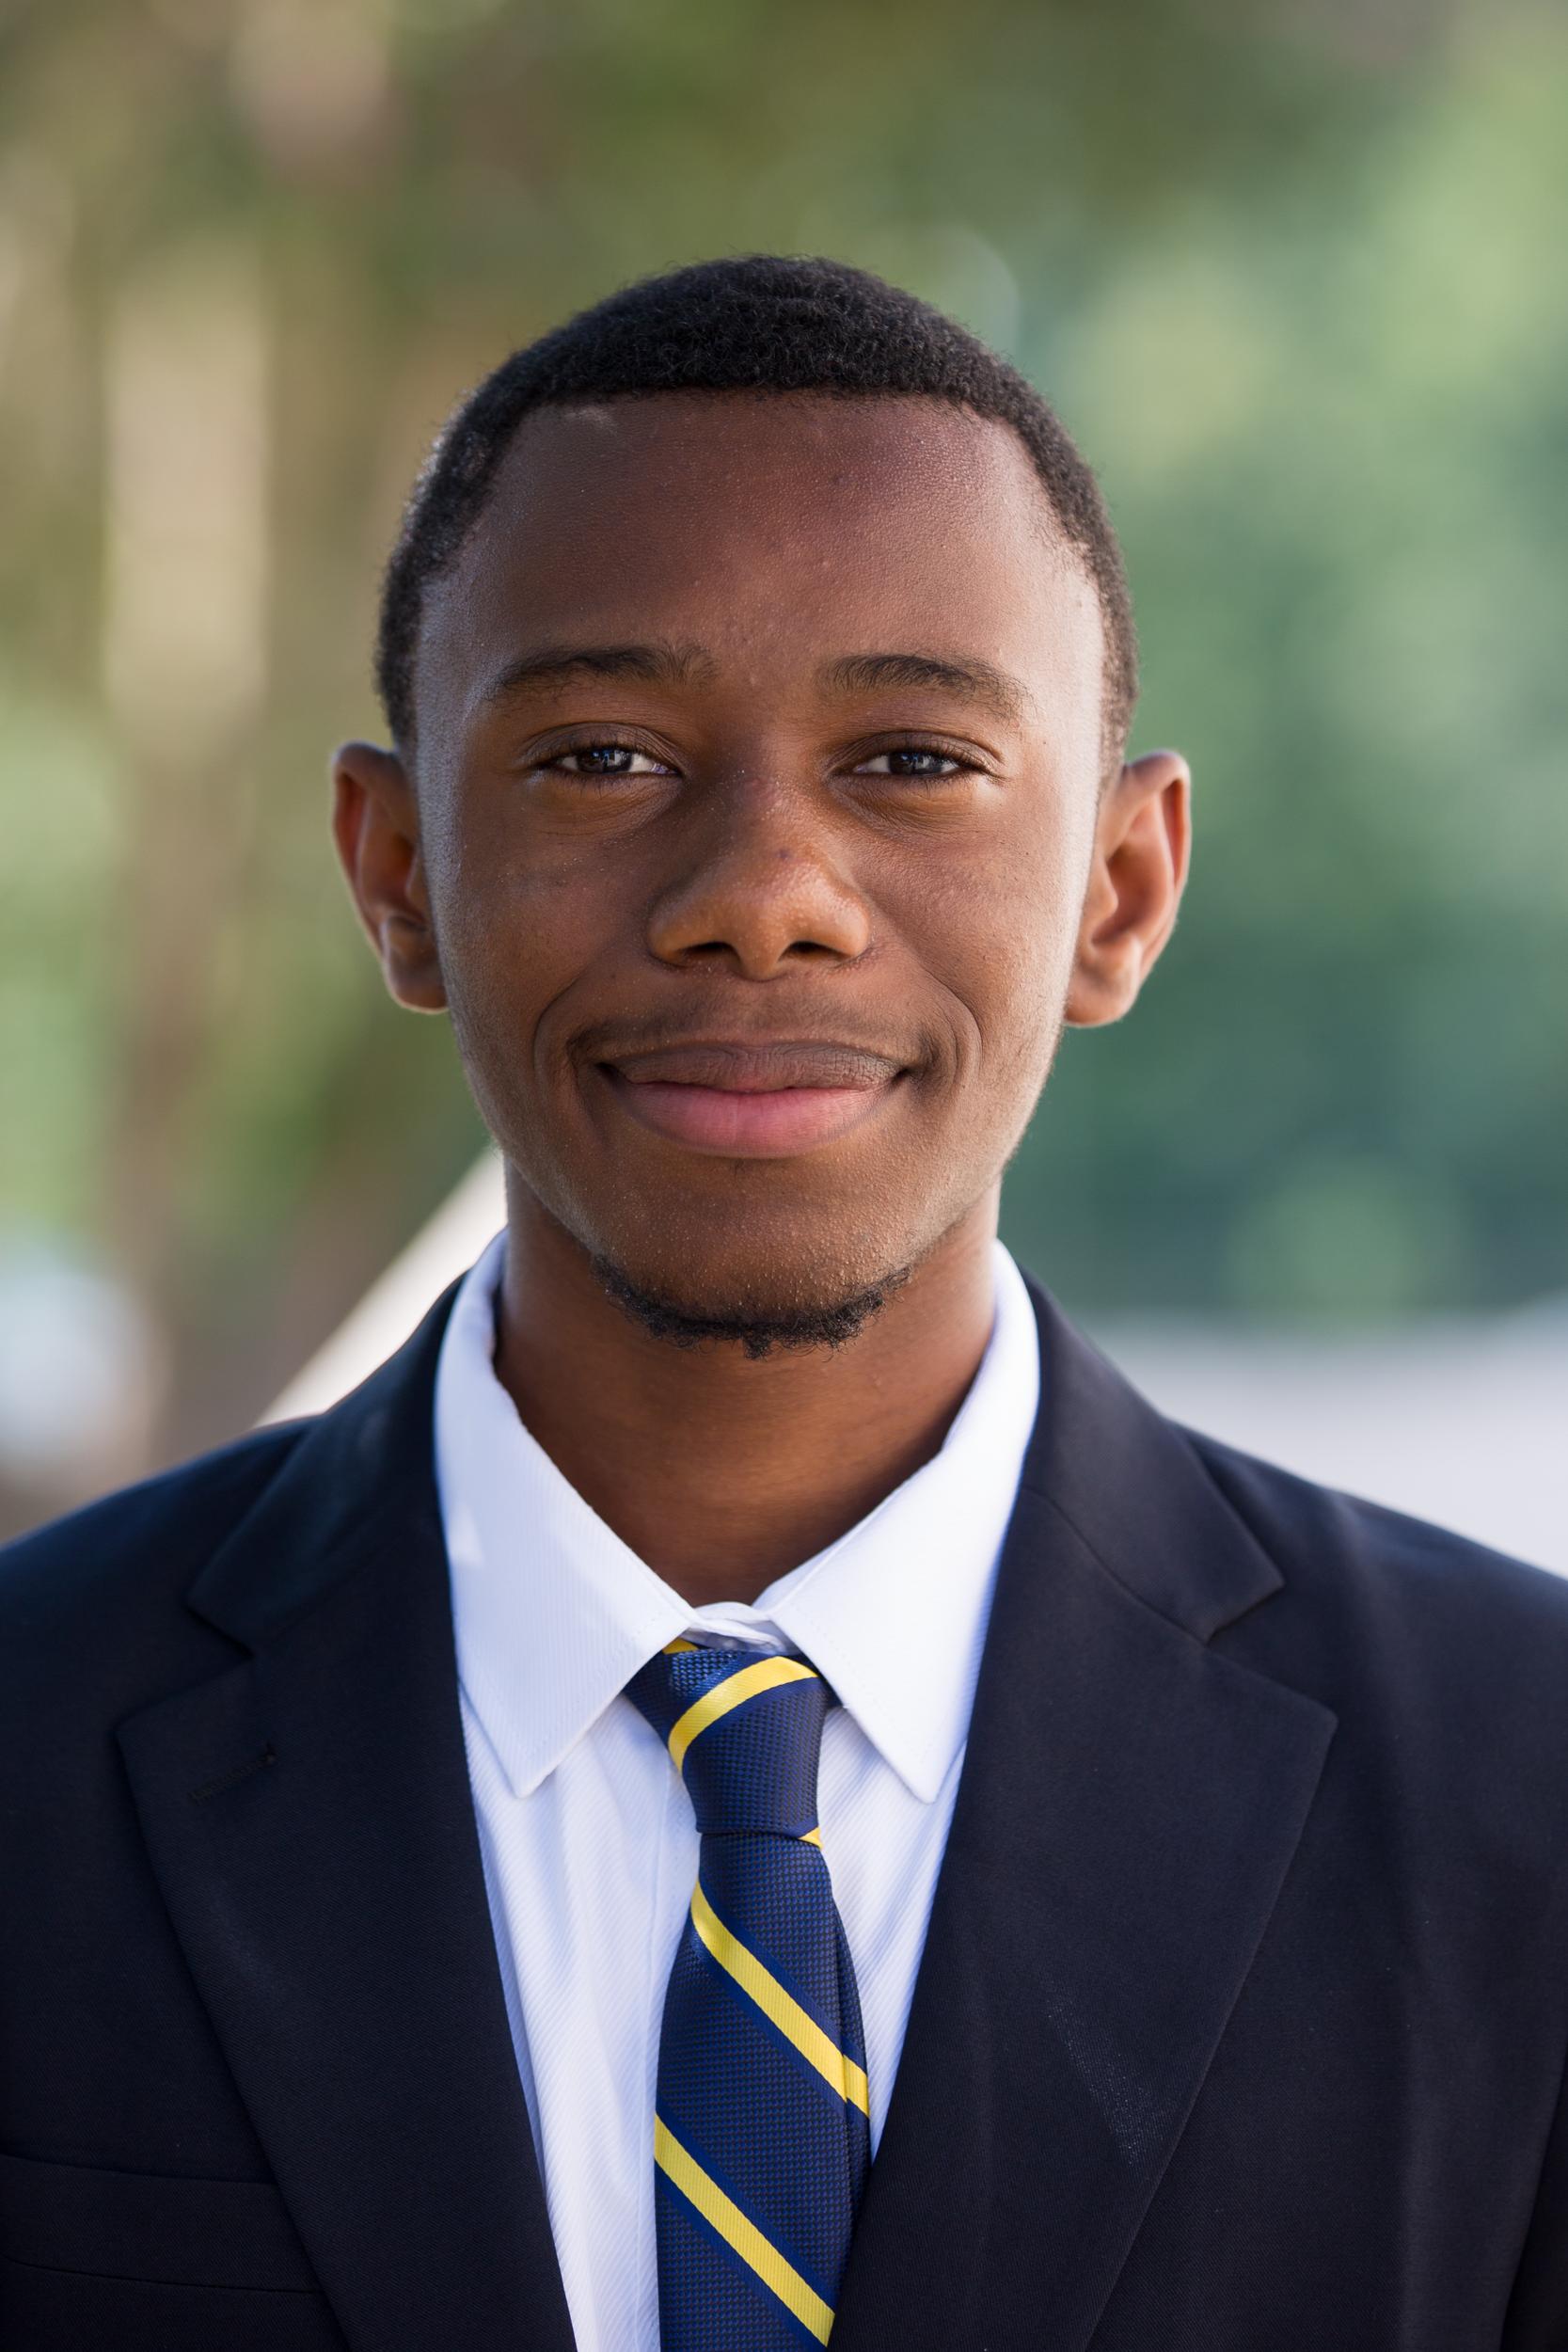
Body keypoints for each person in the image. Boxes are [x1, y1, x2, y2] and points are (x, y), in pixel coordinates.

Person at [1, 255, 1564, 2352]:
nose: (763, 892)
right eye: (606, 755)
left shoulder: (1518, 1795)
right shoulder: (32, 1741)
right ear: (394, 873)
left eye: (914, 758)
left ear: (1119, 888)